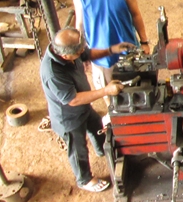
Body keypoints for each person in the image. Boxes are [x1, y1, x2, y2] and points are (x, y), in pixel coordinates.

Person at [40, 28, 134, 192]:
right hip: (68, 117)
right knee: (78, 150)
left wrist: (111, 50)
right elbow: (73, 99)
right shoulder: (52, 72)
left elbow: (88, 54)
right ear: (66, 56)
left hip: (84, 107)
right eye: (79, 51)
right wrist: (105, 91)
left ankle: (102, 149)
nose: (83, 51)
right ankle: (84, 180)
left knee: (96, 125)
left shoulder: (69, 49)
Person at [72, 0, 149, 96]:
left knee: (135, 89)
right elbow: (80, 25)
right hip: (99, 55)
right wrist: (81, 53)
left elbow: (136, 15)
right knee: (106, 91)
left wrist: (144, 41)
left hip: (127, 50)